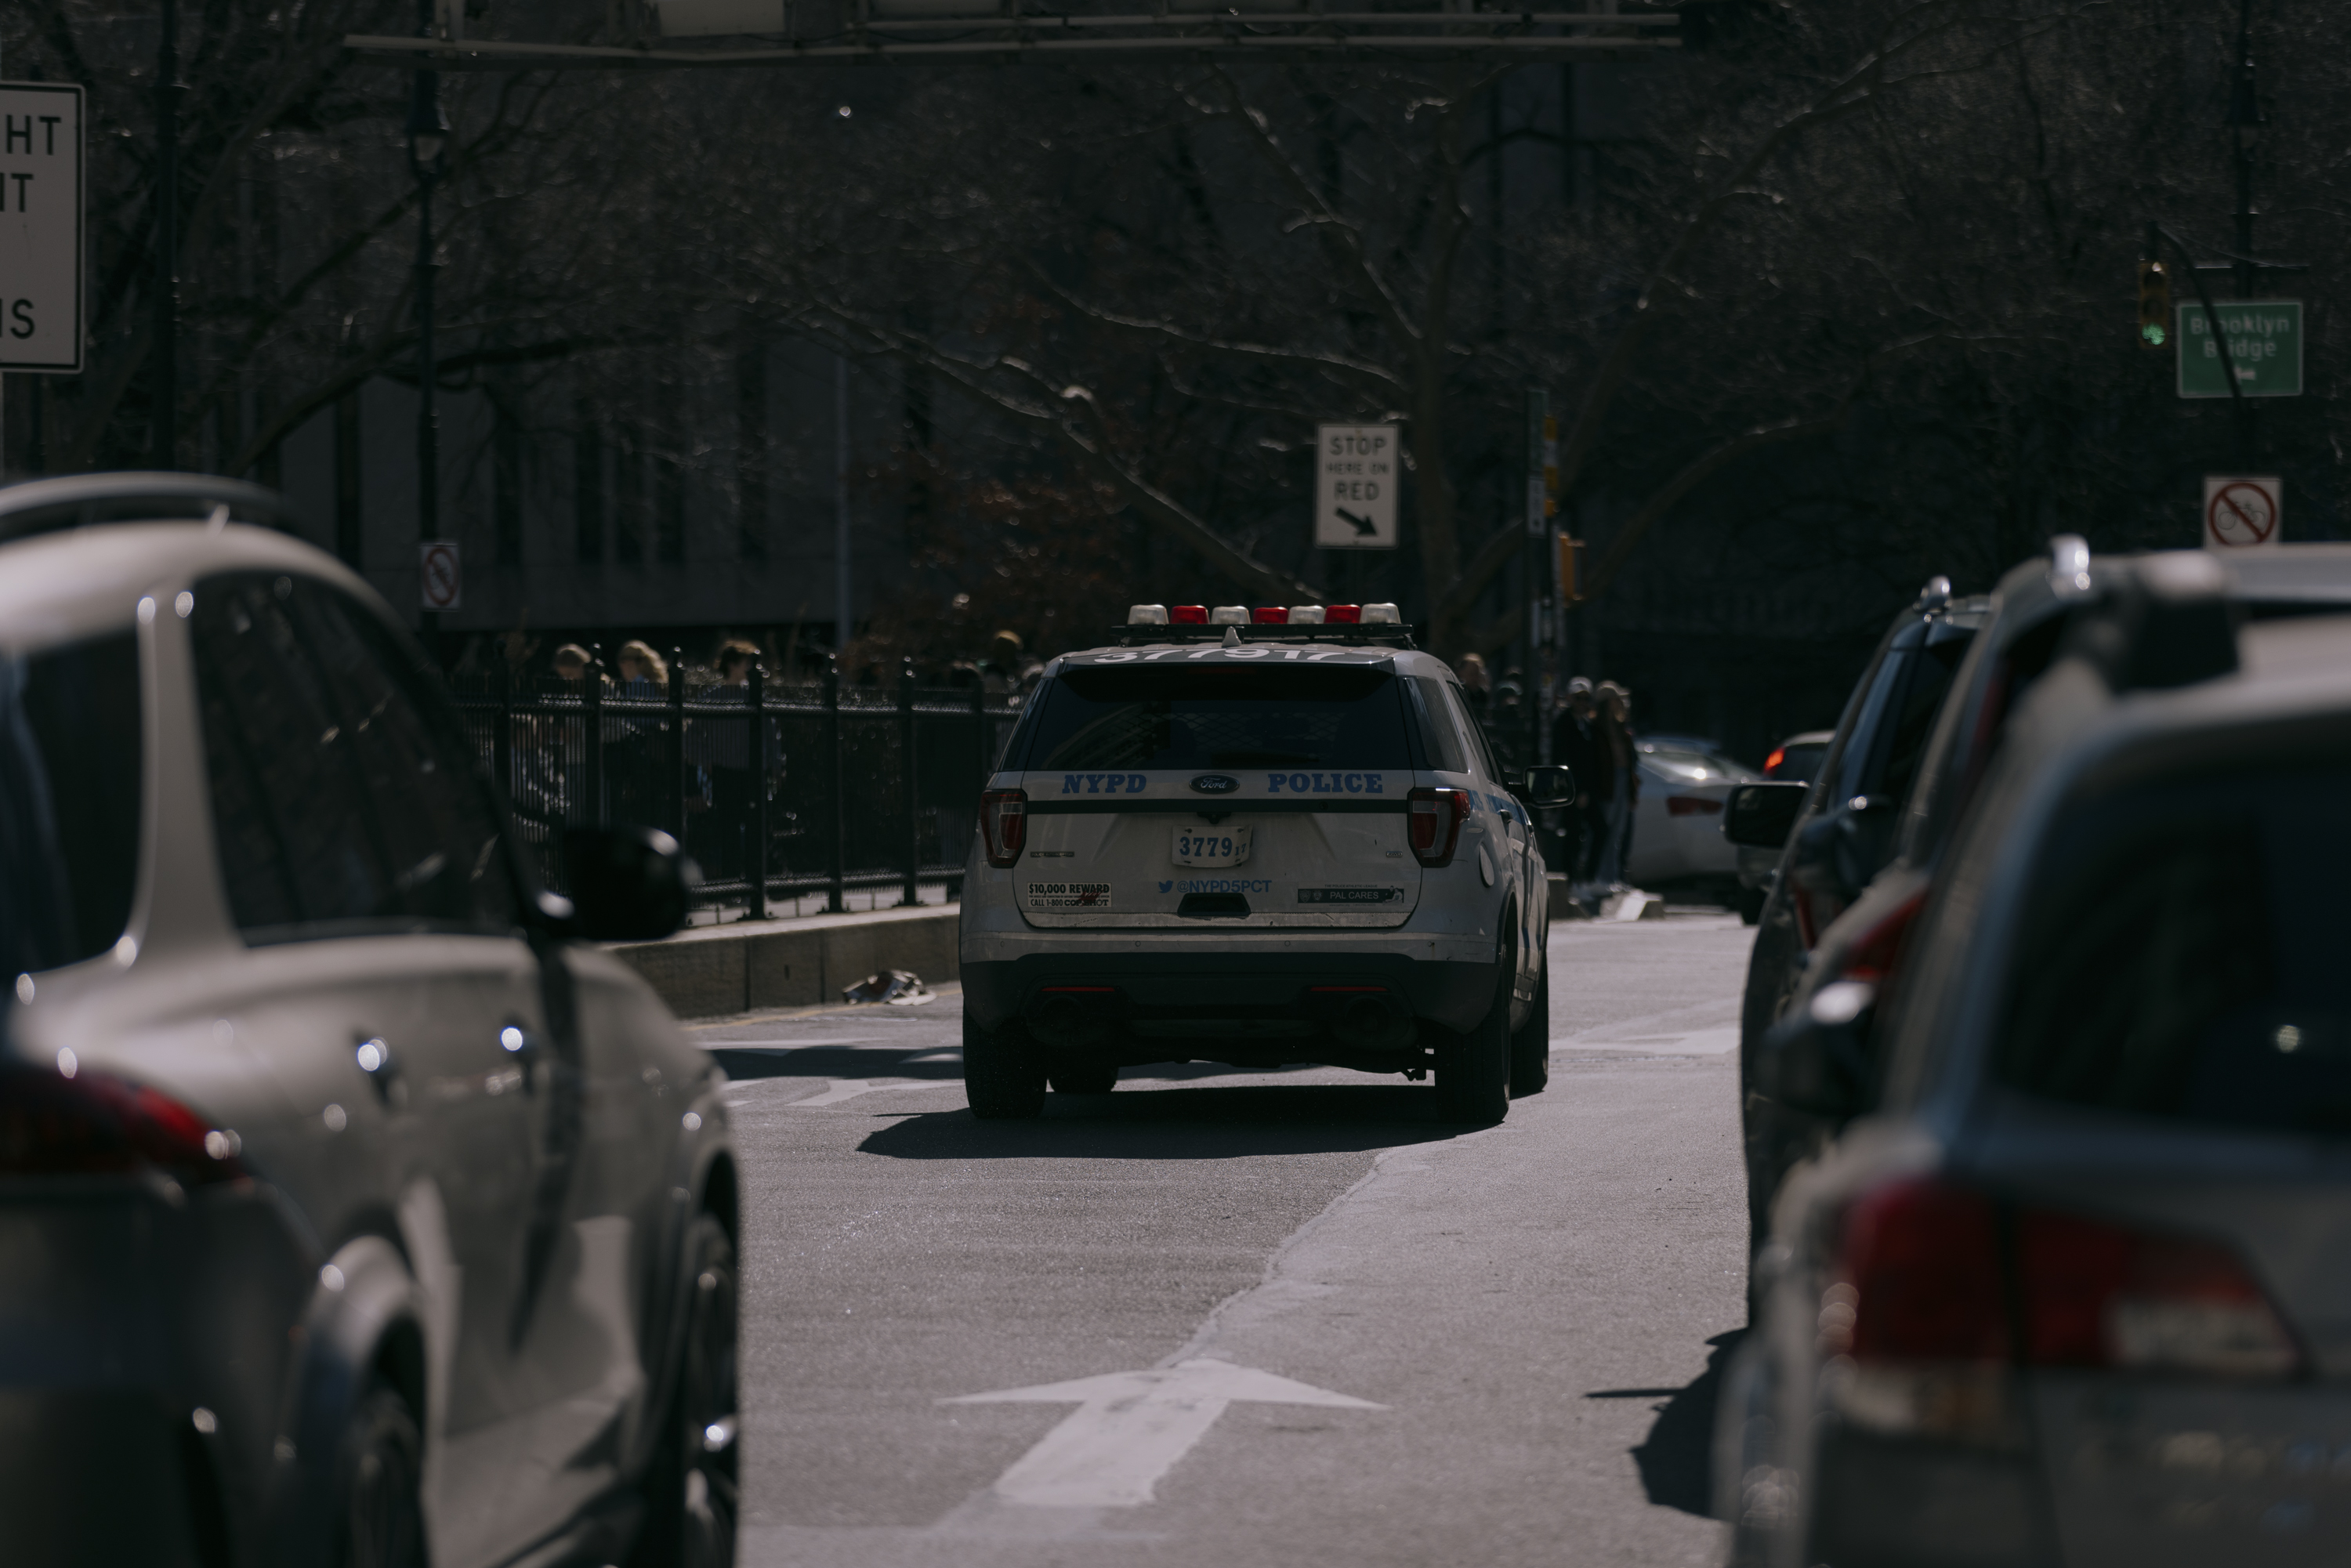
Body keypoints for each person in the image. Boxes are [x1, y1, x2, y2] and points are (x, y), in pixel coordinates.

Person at [687, 640, 781, 887]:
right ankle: (731, 881)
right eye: (747, 663)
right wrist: (706, 760)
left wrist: (775, 763)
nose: (752, 669)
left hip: (753, 770)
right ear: (732, 665)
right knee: (728, 827)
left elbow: (771, 733)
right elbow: (693, 735)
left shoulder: (755, 695)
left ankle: (756, 879)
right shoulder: (712, 698)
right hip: (724, 770)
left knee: (756, 827)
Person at [1550, 678, 1609, 887]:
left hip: (1588, 790)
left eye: (1586, 698)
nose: (1582, 703)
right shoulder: (1563, 723)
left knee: (1601, 830)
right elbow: (1563, 759)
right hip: (1572, 789)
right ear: (1569, 699)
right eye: (1578, 698)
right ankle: (1572, 881)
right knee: (1572, 835)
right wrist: (1576, 790)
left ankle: (1589, 878)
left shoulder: (1587, 725)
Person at [606, 641, 670, 828]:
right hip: (654, 751)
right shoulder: (655, 683)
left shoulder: (639, 686)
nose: (621, 668)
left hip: (642, 752)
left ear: (632, 662)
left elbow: (640, 720)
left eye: (623, 663)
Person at [1596, 680, 1637, 889]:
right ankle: (1603, 876)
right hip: (1607, 782)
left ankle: (1613, 876)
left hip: (1621, 779)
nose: (1620, 703)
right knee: (1606, 829)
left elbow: (1630, 762)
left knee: (1619, 831)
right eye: (1616, 700)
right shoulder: (1597, 728)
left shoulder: (1621, 728)